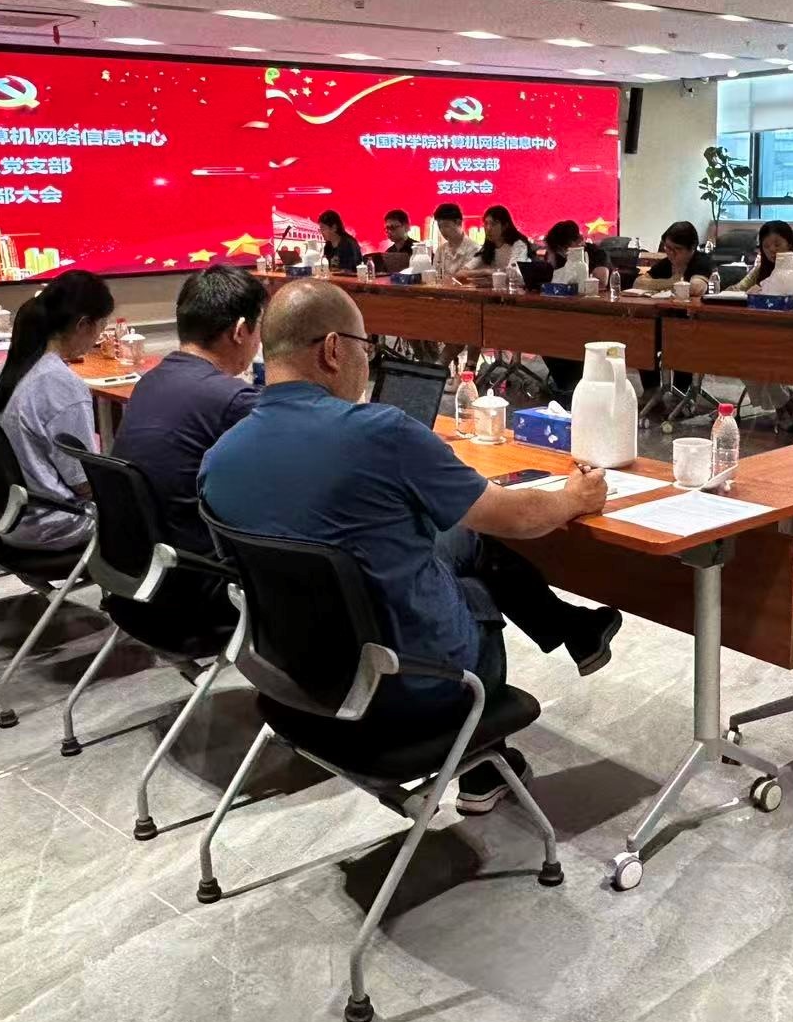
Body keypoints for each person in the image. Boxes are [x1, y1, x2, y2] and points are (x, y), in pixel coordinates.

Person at [200, 280, 621, 812]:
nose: (367, 362)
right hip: (403, 689)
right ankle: (481, 763)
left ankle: (572, 634)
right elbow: (516, 518)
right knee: (475, 591)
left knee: (459, 540)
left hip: (293, 677)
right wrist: (573, 497)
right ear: (333, 349)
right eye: (366, 347)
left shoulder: (219, 459)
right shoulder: (381, 433)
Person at [112, 265, 267, 642]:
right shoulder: (231, 401)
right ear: (240, 330)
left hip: (132, 579)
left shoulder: (149, 381)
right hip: (196, 596)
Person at [0, 271, 115, 551]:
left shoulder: (9, 368)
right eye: (101, 326)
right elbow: (84, 483)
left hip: (9, 516)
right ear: (83, 324)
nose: (99, 337)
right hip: (57, 523)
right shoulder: (60, 384)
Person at [739, 221, 793, 431]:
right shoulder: (762, 268)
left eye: (777, 244)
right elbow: (735, 289)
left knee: (763, 357)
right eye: (766, 246)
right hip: (761, 332)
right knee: (742, 356)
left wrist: (764, 291)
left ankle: (782, 406)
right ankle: (786, 402)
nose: (772, 250)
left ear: (789, 243)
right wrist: (747, 292)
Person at [639, 221, 715, 397]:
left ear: (692, 248)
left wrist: (659, 284)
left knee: (681, 339)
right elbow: (639, 282)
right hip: (665, 321)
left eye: (677, 249)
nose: (670, 253)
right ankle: (651, 390)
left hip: (695, 325)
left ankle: (683, 394)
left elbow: (696, 287)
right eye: (667, 247)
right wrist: (674, 281)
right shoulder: (667, 263)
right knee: (643, 334)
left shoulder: (701, 261)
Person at [541, 220, 612, 397]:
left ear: (579, 241)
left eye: (564, 247)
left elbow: (602, 280)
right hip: (562, 310)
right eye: (558, 249)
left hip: (594, 311)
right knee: (543, 331)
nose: (562, 252)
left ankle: (574, 381)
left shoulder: (595, 253)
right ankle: (564, 382)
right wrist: (552, 257)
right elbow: (546, 276)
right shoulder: (558, 257)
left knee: (571, 334)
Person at [462, 204, 531, 283]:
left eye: (493, 224)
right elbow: (461, 272)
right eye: (486, 223)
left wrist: (488, 272)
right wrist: (486, 272)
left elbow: (512, 273)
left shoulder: (518, 245)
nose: (488, 228)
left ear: (505, 226)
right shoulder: (488, 248)